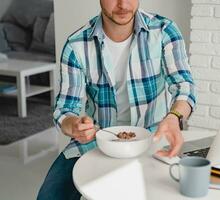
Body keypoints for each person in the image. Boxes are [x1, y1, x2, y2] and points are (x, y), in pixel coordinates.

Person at [37, 0, 196, 199]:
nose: (123, 4)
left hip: (153, 140)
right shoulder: (76, 45)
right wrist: (74, 125)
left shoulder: (164, 30)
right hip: (96, 141)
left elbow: (185, 86)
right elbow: (64, 109)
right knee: (50, 195)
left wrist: (174, 117)